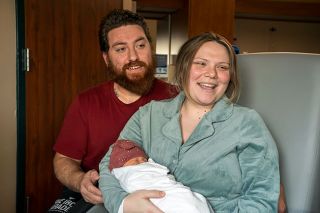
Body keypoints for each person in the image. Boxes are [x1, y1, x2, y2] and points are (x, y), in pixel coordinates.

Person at [99, 32, 281, 212]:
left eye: (223, 67)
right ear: (183, 68)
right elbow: (110, 164)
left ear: (230, 76)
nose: (211, 74)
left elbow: (262, 201)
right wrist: (123, 204)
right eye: (201, 63)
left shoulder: (247, 123)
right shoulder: (149, 114)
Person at [49, 9, 177, 212]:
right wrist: (80, 180)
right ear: (106, 58)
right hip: (95, 193)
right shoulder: (87, 102)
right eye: (120, 49)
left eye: (140, 45)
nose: (133, 56)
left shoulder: (175, 98)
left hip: (160, 190)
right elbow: (64, 159)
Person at [107, 139, 214, 213]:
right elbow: (109, 170)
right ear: (122, 169)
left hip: (177, 192)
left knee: (193, 202)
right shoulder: (127, 174)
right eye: (135, 162)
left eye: (144, 160)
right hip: (156, 199)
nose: (141, 163)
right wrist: (124, 204)